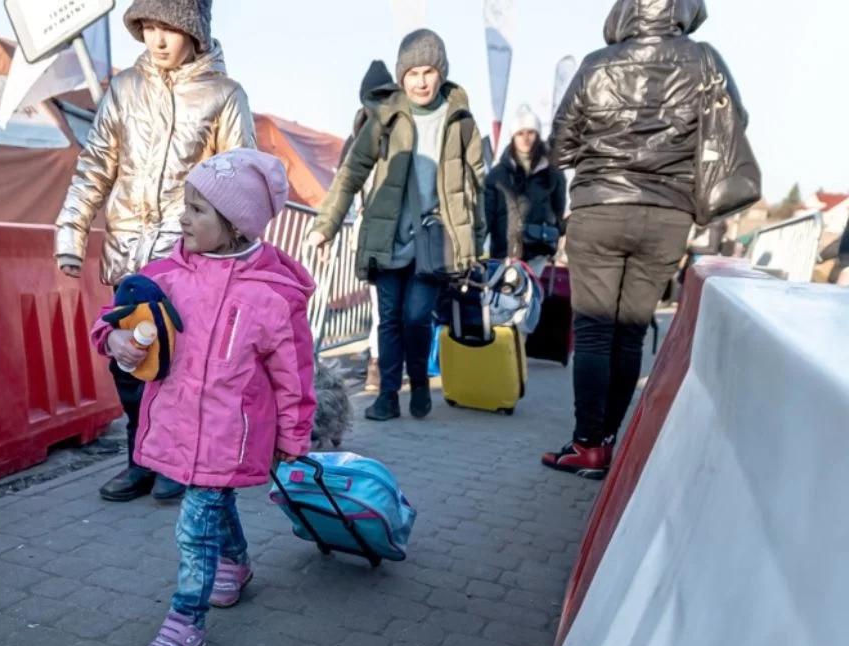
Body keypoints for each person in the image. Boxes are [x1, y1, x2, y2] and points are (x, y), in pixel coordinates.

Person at [92, 150, 315, 646]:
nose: (182, 217)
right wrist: (113, 340)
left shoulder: (273, 295)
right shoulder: (166, 273)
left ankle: (186, 620)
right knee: (214, 502)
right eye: (185, 204)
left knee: (195, 524)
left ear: (236, 225)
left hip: (229, 434)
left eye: (198, 210)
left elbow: (293, 375)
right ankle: (235, 563)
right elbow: (114, 317)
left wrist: (294, 439)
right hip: (177, 424)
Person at [55, 0, 256, 502]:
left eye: (169, 26)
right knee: (129, 363)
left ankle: (176, 460)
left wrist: (236, 262)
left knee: (179, 366)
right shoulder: (123, 89)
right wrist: (71, 232)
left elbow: (239, 183)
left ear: (193, 29)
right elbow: (97, 163)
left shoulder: (225, 96)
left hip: (188, 260)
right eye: (148, 26)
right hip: (127, 251)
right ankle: (139, 459)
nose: (157, 39)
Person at [543, 0, 746, 478]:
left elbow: (560, 144)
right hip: (667, 215)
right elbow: (732, 128)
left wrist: (599, 156)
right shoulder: (706, 62)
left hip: (601, 206)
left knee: (593, 330)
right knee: (630, 331)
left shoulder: (597, 64)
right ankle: (609, 440)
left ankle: (587, 444)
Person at [307, 29, 485, 422]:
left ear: (441, 73)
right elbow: (351, 173)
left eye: (428, 71)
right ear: (402, 76)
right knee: (388, 319)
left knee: (417, 317)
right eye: (412, 73)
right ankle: (388, 395)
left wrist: (478, 244)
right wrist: (326, 225)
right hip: (386, 236)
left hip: (434, 237)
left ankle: (419, 381)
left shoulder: (460, 121)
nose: (420, 81)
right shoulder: (385, 117)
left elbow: (477, 185)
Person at [338, 60, 394, 393]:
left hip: (396, 232)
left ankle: (379, 361)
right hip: (365, 228)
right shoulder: (355, 137)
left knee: (386, 303)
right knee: (378, 301)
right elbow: (343, 183)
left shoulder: (399, 132)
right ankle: (377, 359)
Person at [484, 104, 567, 275]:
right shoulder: (497, 176)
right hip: (504, 255)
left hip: (539, 254)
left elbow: (558, 213)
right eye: (520, 134)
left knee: (532, 298)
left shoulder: (553, 174)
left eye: (530, 132)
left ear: (537, 135)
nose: (525, 138)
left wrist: (554, 233)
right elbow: (486, 216)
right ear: (513, 137)